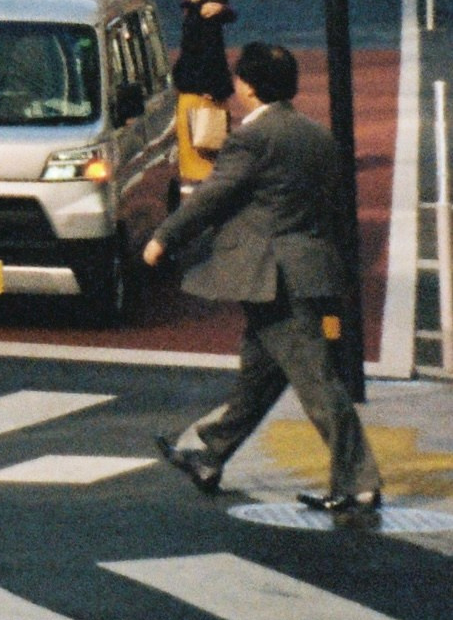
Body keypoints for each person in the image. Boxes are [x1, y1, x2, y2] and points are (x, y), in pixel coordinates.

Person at [145, 41, 380, 521]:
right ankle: (210, 456)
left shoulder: (254, 139)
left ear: (247, 87)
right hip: (307, 270)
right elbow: (336, 212)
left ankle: (359, 483)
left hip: (273, 276)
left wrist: (164, 237)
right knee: (260, 374)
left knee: (317, 381)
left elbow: (214, 195)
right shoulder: (316, 136)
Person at [169, 0, 235, 203]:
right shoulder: (206, 10)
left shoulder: (201, 15)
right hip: (202, 89)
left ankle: (201, 198)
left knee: (199, 147)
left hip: (199, 91)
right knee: (206, 147)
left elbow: (204, 53)